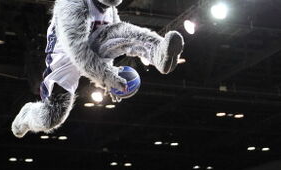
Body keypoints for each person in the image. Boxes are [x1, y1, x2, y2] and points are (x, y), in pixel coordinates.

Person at [11, 0, 184, 138]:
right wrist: (108, 78)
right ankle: (27, 116)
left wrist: (110, 73)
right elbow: (80, 54)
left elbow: (112, 39)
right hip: (66, 54)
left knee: (120, 30)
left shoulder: (110, 8)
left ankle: (158, 52)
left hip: (90, 44)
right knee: (53, 115)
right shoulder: (72, 4)